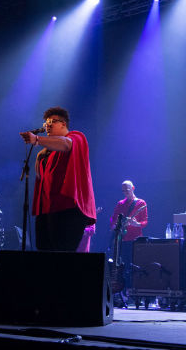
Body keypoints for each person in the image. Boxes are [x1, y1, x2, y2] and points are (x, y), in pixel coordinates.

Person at [19, 106, 97, 251]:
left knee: (61, 252)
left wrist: (37, 139)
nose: (48, 125)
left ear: (63, 124)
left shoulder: (76, 137)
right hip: (48, 208)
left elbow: (66, 144)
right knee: (44, 250)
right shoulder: (46, 152)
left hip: (69, 206)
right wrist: (40, 157)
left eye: (52, 121)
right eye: (46, 123)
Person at [109, 180, 148, 290]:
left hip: (135, 240)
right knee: (121, 266)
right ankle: (123, 289)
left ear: (133, 188)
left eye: (127, 190)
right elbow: (113, 218)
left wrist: (137, 224)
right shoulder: (120, 203)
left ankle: (133, 289)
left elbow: (145, 221)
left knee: (134, 265)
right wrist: (114, 226)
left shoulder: (141, 203)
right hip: (122, 240)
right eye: (123, 191)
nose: (125, 192)